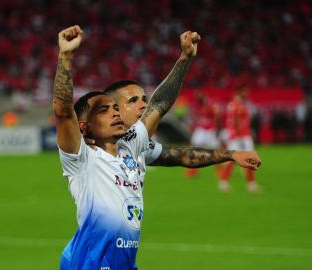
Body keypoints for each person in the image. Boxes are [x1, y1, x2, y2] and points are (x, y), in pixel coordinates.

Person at [53, 25, 201, 269]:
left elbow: (160, 104)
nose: (114, 112)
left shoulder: (130, 146)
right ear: (85, 126)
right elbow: (62, 111)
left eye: (114, 108)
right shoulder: (81, 158)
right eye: (103, 110)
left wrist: (185, 58)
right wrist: (66, 56)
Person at [81, 80, 261, 171]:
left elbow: (182, 155)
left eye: (144, 99)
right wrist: (65, 57)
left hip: (123, 243)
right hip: (90, 245)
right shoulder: (84, 151)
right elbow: (64, 114)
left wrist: (232, 154)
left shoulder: (135, 144)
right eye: (133, 101)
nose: (144, 106)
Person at [219, 85, 260, 192]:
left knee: (236, 159)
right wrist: (241, 137)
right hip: (240, 136)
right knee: (243, 158)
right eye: (245, 92)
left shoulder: (233, 104)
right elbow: (237, 122)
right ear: (240, 92)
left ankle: (226, 182)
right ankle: (225, 182)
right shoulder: (238, 105)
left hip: (235, 135)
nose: (247, 94)